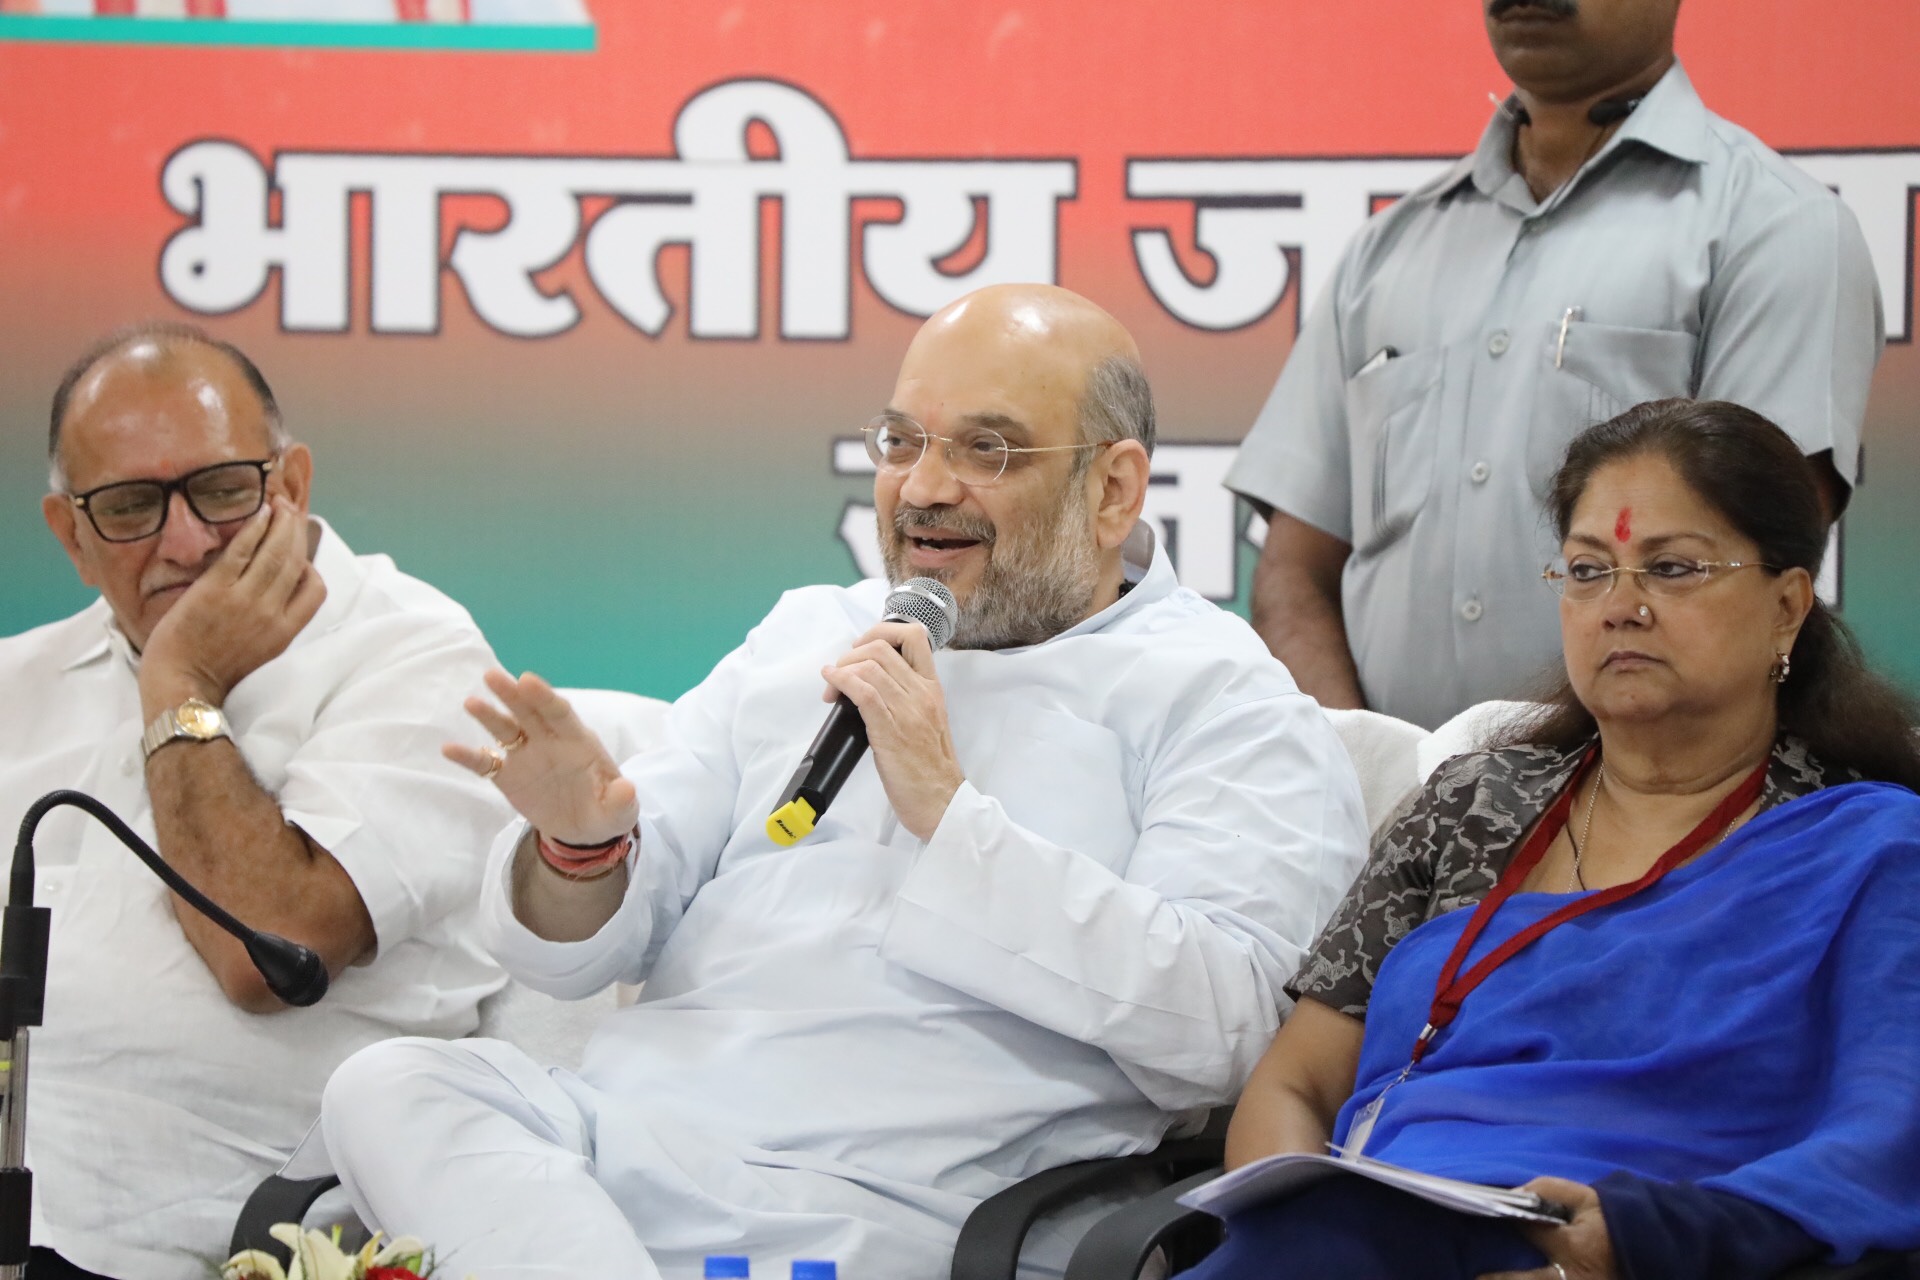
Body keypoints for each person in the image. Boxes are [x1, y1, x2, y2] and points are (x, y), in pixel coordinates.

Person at [318, 284, 1371, 1279]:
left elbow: (1225, 1031)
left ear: (1114, 488)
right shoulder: (808, 629)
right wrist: (580, 846)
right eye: (901, 441)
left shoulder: (1225, 697)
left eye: (985, 449)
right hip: (613, 1150)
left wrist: (951, 818)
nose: (921, 488)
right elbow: (589, 939)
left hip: (881, 1200)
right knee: (390, 1085)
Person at [1196, 399, 1920, 1280]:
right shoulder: (1472, 804)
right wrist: (1294, 1212)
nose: (1622, 606)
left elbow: (1888, 1139)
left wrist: (1643, 1241)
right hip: (1364, 1240)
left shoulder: (1873, 847)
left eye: (1673, 568)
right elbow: (1295, 1085)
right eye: (1588, 570)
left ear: (1786, 606)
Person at [0, 325, 510, 1280]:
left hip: (240, 1242)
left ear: (293, 485)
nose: (186, 541)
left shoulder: (419, 659)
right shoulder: (12, 690)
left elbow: (268, 951)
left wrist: (180, 684)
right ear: (71, 536)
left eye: (223, 489)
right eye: (130, 507)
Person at [1227, 0, 1884, 729]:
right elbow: (1294, 569)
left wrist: (1548, 801)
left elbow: (1746, 569)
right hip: (1392, 823)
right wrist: (1361, 773)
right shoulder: (1385, 252)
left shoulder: (1774, 227)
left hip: (1644, 818)